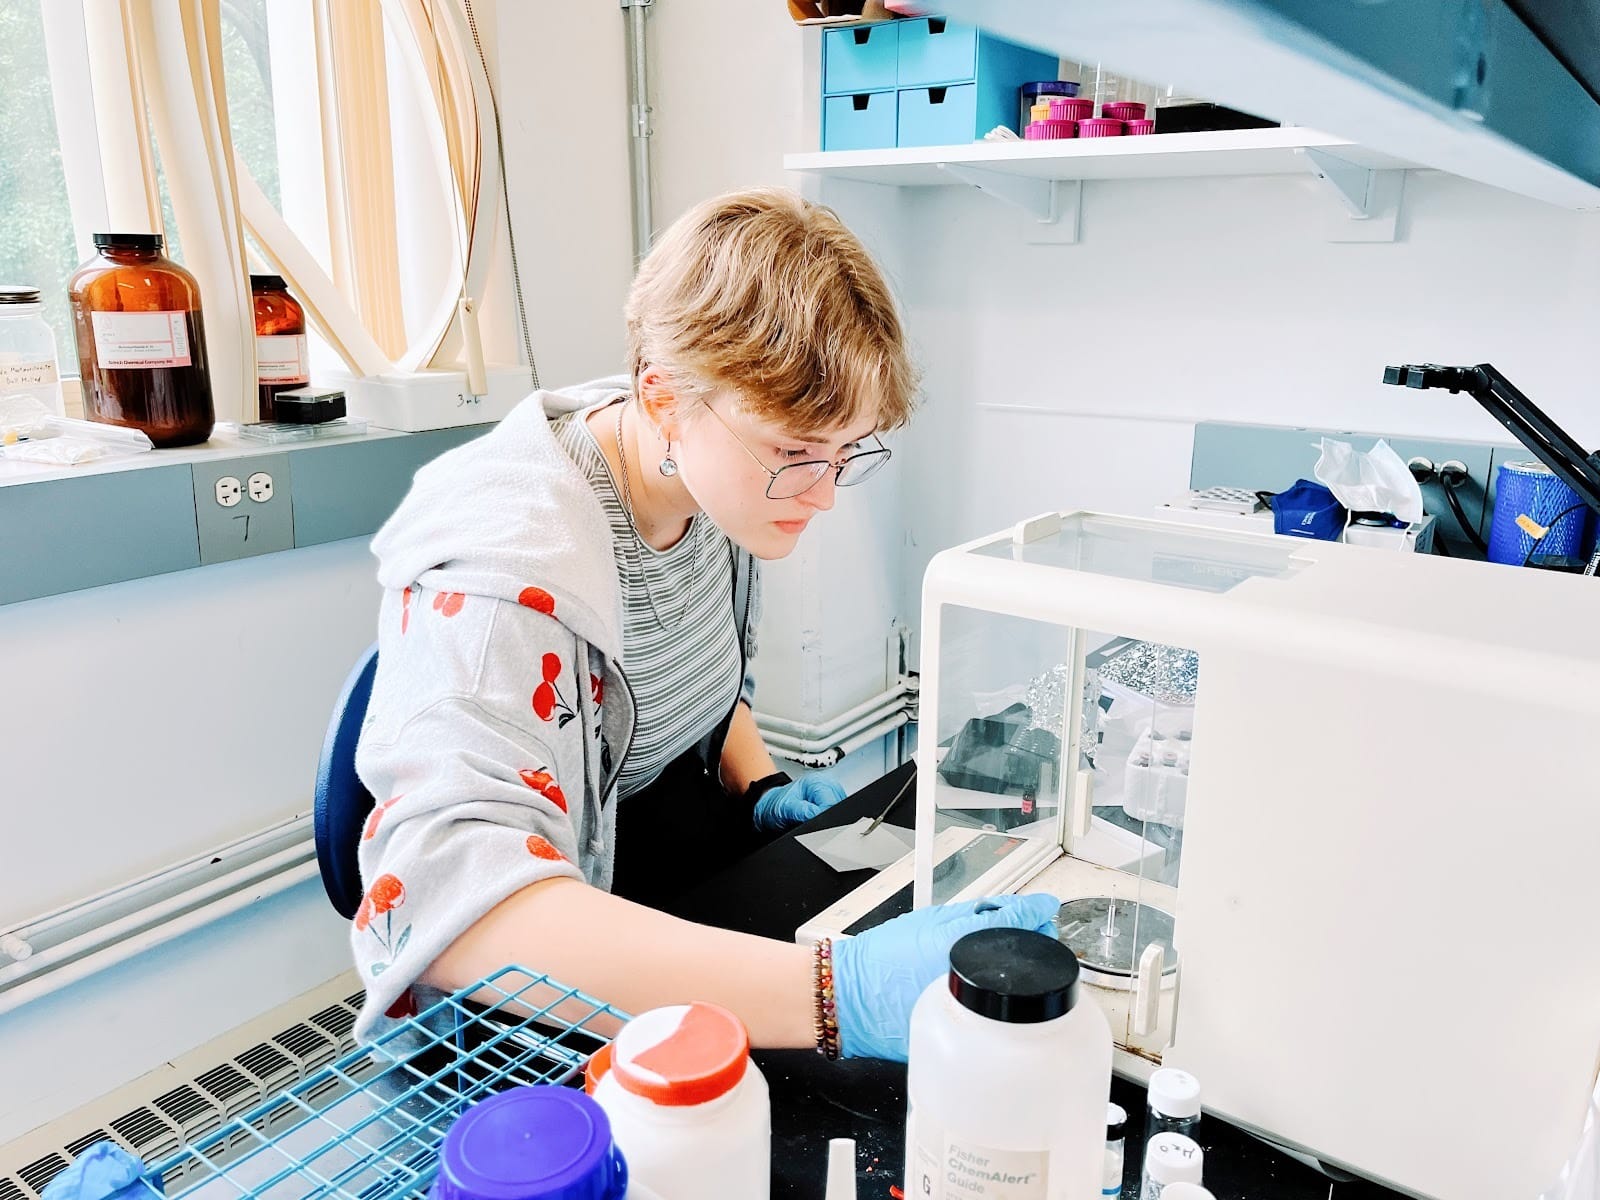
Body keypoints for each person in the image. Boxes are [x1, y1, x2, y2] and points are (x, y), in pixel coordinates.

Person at [350, 188, 1060, 1058]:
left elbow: (692, 676)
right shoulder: (505, 570)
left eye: (847, 453)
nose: (826, 493)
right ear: (662, 396)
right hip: (536, 984)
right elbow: (446, 906)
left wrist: (758, 782)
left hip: (674, 868)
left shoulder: (706, 481)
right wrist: (843, 995)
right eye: (796, 453)